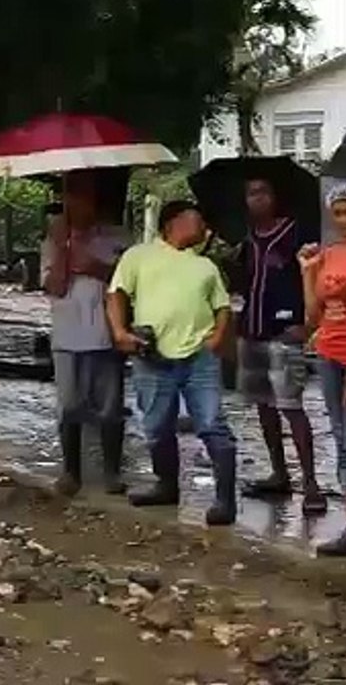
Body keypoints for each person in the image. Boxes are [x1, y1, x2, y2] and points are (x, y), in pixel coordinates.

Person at [107, 200, 238, 526]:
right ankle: (166, 485)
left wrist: (218, 337)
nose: (204, 226)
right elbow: (116, 294)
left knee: (212, 425)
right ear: (173, 223)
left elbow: (223, 307)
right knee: (156, 427)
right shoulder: (138, 256)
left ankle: (225, 500)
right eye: (197, 219)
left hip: (199, 357)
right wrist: (120, 331)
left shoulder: (205, 266)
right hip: (152, 355)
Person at [234, 177, 325, 514]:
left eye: (263, 192)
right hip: (252, 331)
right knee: (263, 405)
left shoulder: (295, 234)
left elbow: (312, 272)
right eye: (251, 194)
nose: (257, 199)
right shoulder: (245, 240)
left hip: (284, 332)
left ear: (275, 197)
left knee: (291, 406)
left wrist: (305, 322)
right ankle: (279, 472)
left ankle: (311, 483)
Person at [41, 170, 130, 496]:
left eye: (84, 196)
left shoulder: (117, 237)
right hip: (66, 335)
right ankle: (71, 472)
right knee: (69, 406)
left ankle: (111, 473)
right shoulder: (53, 241)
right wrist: (64, 248)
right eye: (72, 197)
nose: (78, 203)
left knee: (110, 407)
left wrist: (92, 265)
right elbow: (53, 285)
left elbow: (125, 280)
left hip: (105, 333)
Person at [300, 186, 346, 555]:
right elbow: (314, 315)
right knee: (341, 437)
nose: (344, 220)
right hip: (329, 352)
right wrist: (307, 272)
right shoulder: (328, 254)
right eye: (339, 212)